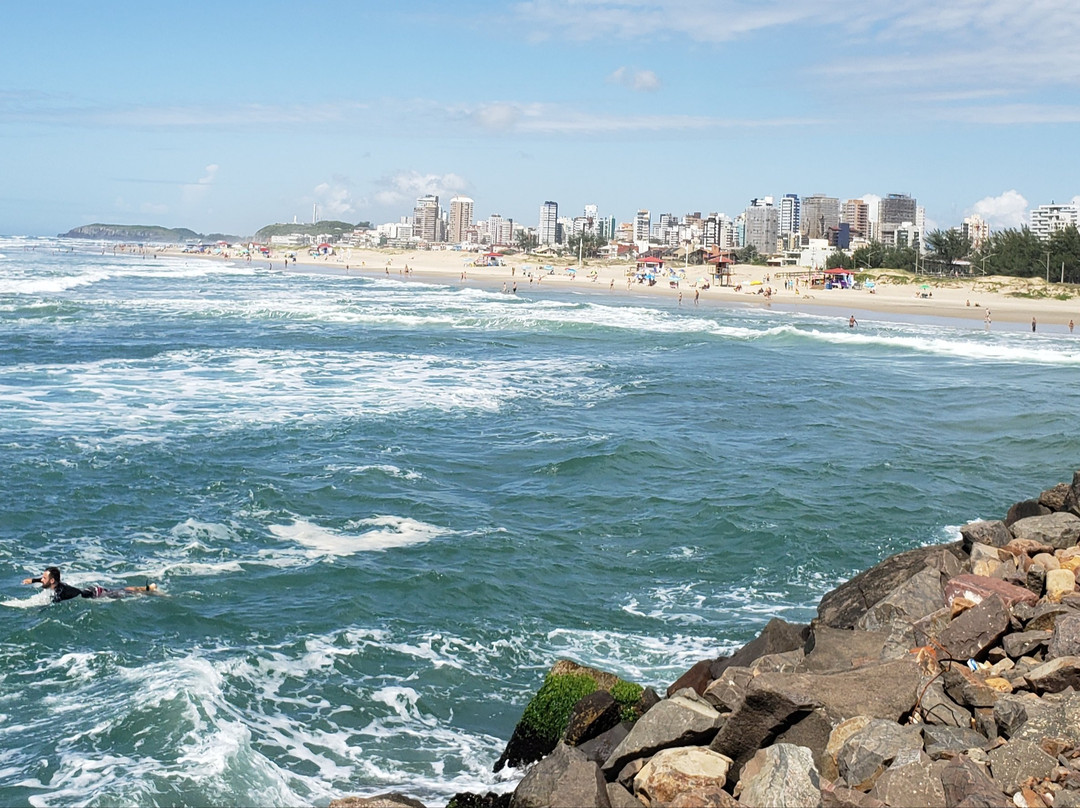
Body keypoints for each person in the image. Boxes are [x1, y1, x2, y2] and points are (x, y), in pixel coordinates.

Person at [22, 567, 155, 603]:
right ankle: (148, 588)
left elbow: (52, 603)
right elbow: (44, 581)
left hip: (97, 594)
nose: (42, 579)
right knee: (121, 589)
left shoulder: (60, 592)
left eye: (44, 577)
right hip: (90, 589)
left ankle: (148, 589)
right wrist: (33, 580)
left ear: (52, 581)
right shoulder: (55, 584)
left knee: (124, 592)